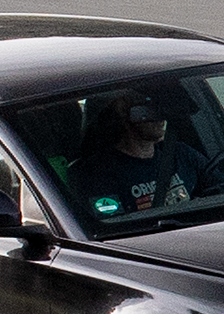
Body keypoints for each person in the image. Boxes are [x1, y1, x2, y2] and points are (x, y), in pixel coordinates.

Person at [67, 92, 209, 219]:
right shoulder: (97, 174)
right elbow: (116, 229)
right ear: (123, 112)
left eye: (162, 108)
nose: (160, 116)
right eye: (150, 108)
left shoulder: (182, 154)